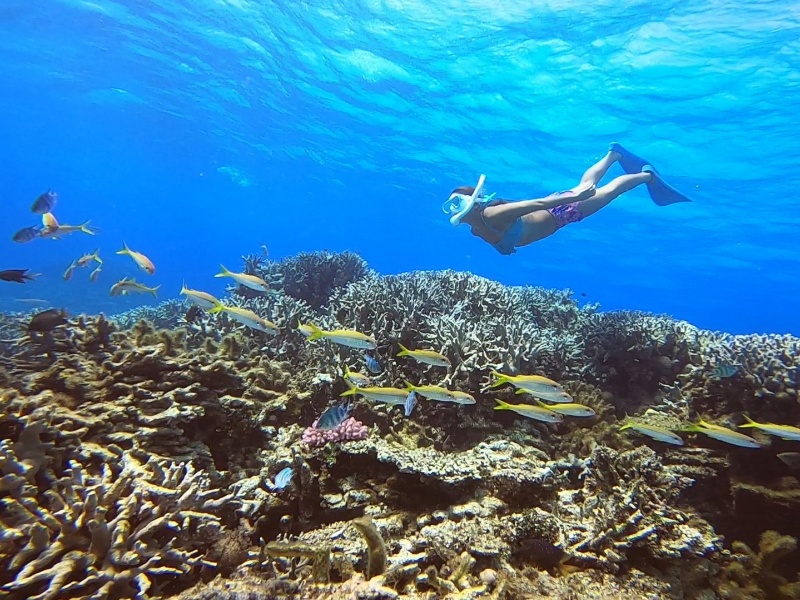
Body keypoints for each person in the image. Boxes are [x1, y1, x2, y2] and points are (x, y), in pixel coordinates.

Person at [442, 142, 692, 255]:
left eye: (458, 204)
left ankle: (646, 177)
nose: (455, 211)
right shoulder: (476, 229)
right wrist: (504, 249)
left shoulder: (492, 214)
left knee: (608, 191)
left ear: (474, 204)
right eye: (451, 207)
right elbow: (502, 241)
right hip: (559, 212)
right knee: (587, 185)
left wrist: (574, 199)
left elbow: (536, 204)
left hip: (560, 212)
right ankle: (614, 155)